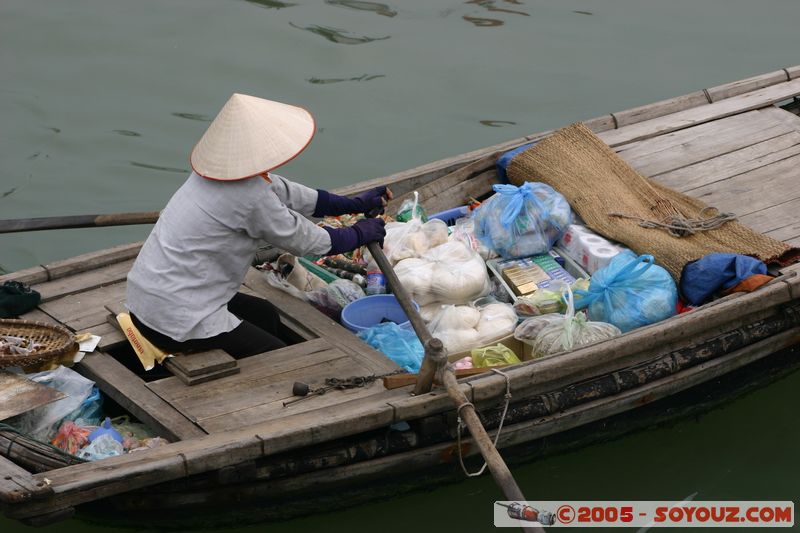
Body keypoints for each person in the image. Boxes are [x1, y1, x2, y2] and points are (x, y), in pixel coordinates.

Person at [125, 93, 389, 359]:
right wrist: (360, 233)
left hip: (151, 297)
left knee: (266, 315)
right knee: (277, 356)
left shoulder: (211, 176)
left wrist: (353, 204)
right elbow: (312, 242)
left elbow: (296, 195)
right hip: (173, 319)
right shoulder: (250, 198)